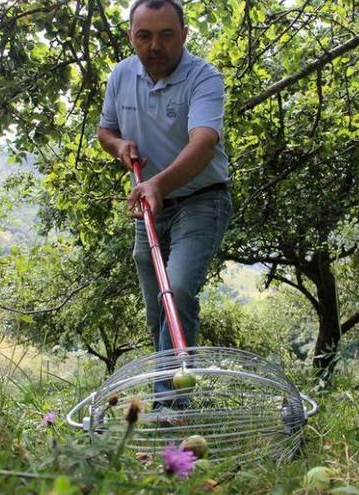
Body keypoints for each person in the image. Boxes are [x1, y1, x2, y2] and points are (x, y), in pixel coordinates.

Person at [97, 0, 231, 410]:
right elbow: (106, 131)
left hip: (201, 199)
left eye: (166, 34)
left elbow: (204, 143)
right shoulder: (121, 75)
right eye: (145, 35)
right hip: (150, 207)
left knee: (177, 291)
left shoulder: (204, 78)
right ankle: (171, 384)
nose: (155, 45)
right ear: (131, 37)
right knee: (158, 307)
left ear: (184, 34)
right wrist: (119, 145)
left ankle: (171, 411)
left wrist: (158, 182)